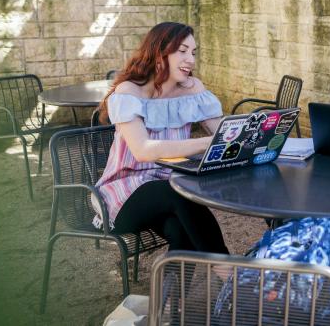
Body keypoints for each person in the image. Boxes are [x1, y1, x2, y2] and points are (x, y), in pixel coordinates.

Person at [92, 21, 228, 255]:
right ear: (159, 53)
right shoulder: (129, 92)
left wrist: (252, 134)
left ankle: (170, 291)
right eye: (182, 51)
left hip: (170, 186)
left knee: (181, 232)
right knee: (180, 192)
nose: (191, 60)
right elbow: (143, 150)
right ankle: (230, 274)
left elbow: (224, 134)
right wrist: (207, 143)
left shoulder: (192, 90)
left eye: (193, 53)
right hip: (124, 191)